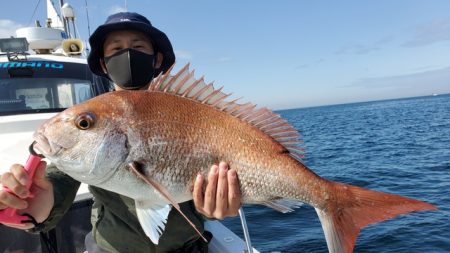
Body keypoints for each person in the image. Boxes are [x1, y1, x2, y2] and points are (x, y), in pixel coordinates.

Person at [0, 12, 241, 253]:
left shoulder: (187, 108)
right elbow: (61, 176)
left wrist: (217, 205)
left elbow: (207, 172)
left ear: (156, 59)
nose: (127, 54)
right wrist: (40, 204)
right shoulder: (99, 117)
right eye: (116, 48)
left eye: (137, 46)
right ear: (104, 63)